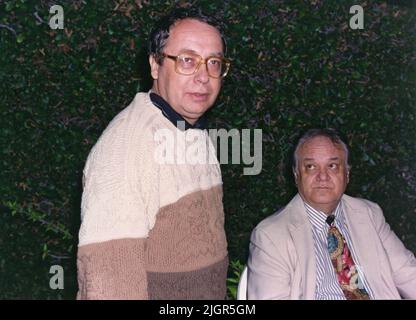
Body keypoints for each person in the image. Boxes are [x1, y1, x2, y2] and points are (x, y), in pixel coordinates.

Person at [76, 8, 231, 299]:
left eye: (214, 62)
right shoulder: (124, 151)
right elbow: (109, 283)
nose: (203, 76)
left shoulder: (190, 129)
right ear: (155, 66)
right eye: (187, 60)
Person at [247, 128, 416, 299]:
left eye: (332, 166)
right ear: (296, 174)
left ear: (347, 174)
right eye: (311, 167)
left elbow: (408, 274)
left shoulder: (368, 214)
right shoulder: (270, 235)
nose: (322, 176)